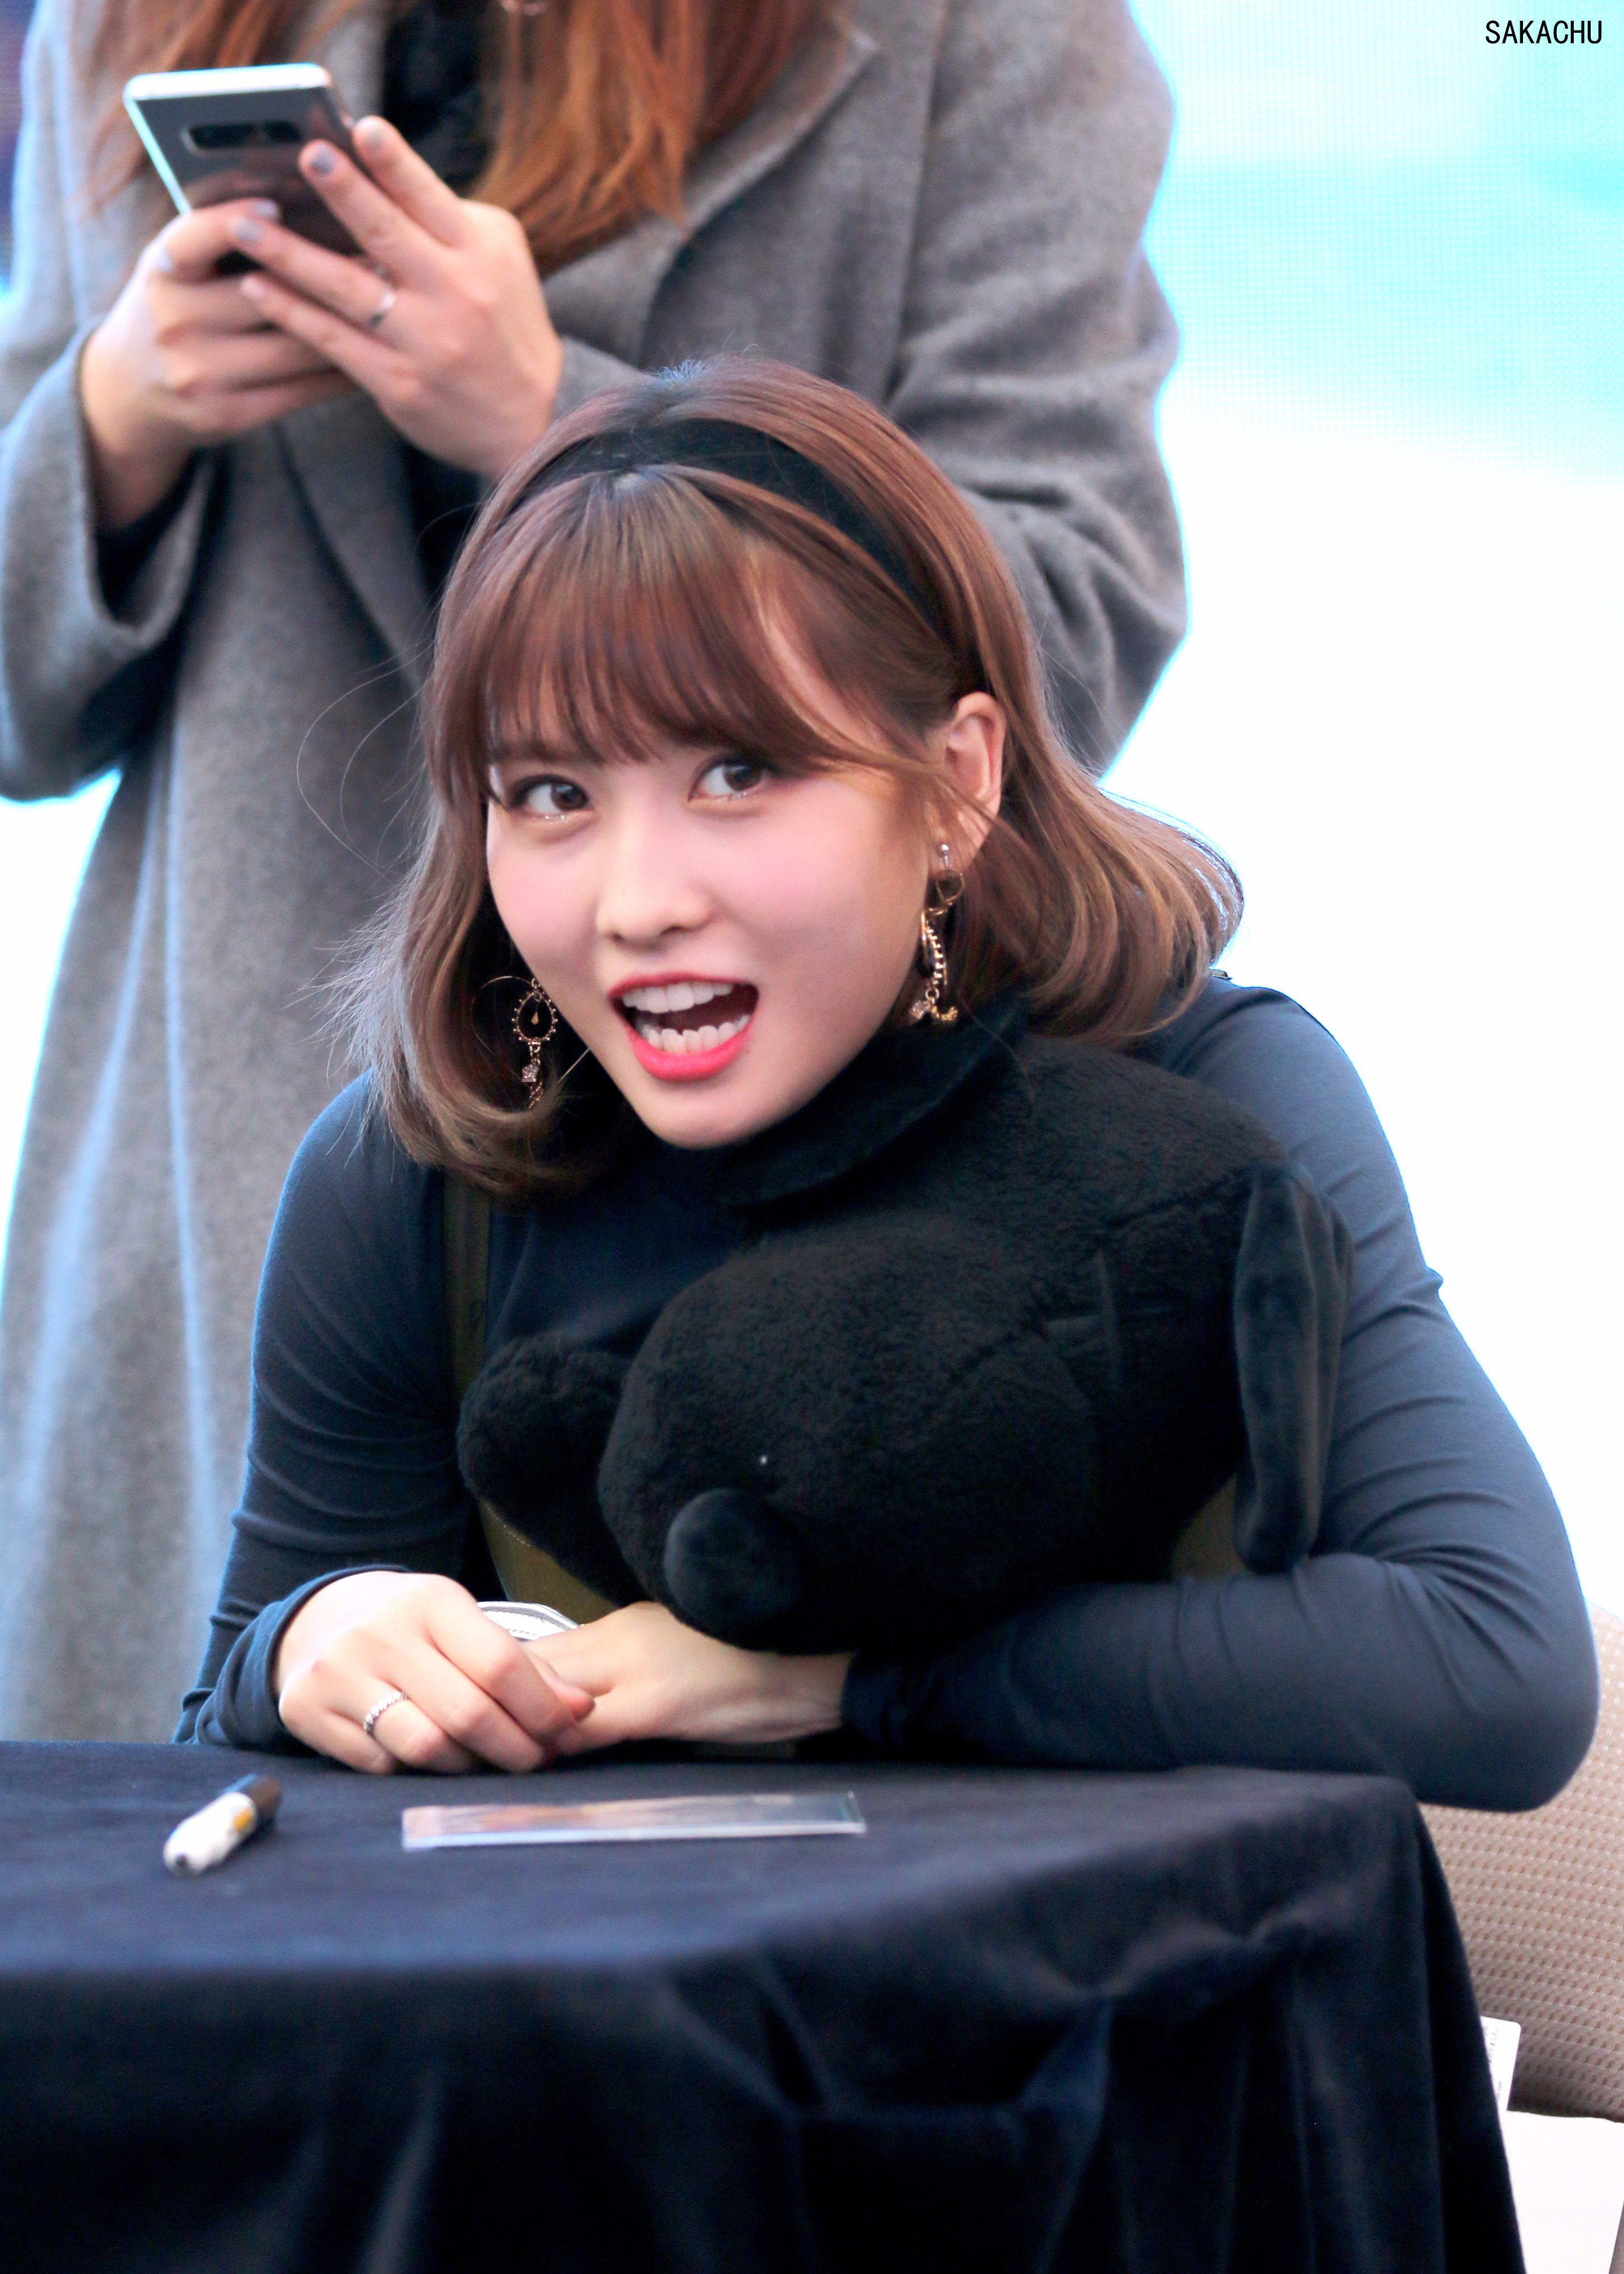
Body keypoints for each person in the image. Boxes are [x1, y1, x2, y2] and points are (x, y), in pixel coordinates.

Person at [0, 0, 1191, 1741]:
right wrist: (110, 424)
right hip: (223, 1140)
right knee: (233, 1813)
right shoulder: (126, 23)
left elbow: (1056, 638)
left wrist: (555, 423)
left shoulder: (987, 35)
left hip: (788, 1208)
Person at [180, 361, 1596, 1809]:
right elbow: (207, 1776)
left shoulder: (1216, 1083)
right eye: (552, 794)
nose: (636, 901)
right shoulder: (411, 1182)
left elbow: (1492, 1663)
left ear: (955, 782)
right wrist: (300, 1646)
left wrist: (834, 1682)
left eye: (737, 773)